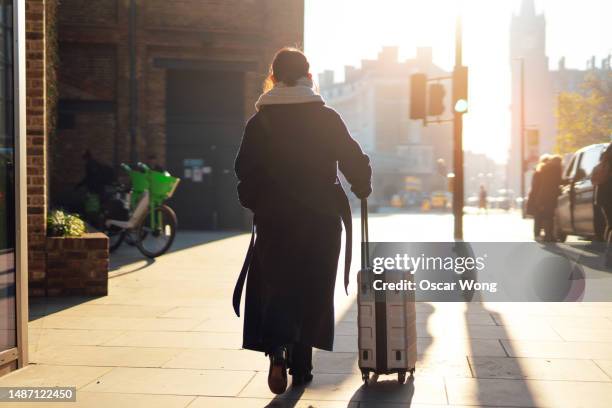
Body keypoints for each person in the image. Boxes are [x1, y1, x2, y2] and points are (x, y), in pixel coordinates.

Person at [233, 48, 372, 395]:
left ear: (274, 78)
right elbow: (351, 157)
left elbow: (243, 170)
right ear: (309, 77)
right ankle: (303, 363)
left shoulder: (260, 121)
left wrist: (257, 202)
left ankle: (277, 352)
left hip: (275, 217)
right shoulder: (325, 116)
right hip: (321, 216)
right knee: (312, 286)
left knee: (278, 284)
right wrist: (362, 184)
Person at [535, 155, 562, 242]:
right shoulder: (555, 169)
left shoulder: (546, 169)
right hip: (551, 196)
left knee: (547, 216)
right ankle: (549, 236)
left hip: (544, 196)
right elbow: (557, 181)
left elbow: (544, 185)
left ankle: (548, 235)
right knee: (549, 216)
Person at [593, 144, 612, 265]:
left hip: (603, 198)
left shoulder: (603, 161)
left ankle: (608, 257)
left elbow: (594, 180)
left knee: (610, 225)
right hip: (608, 196)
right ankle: (609, 257)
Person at [527, 154, 550, 240]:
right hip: (538, 197)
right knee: (539, 216)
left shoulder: (538, 172)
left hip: (537, 196)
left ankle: (538, 234)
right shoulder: (539, 172)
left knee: (539, 216)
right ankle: (537, 235)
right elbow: (536, 187)